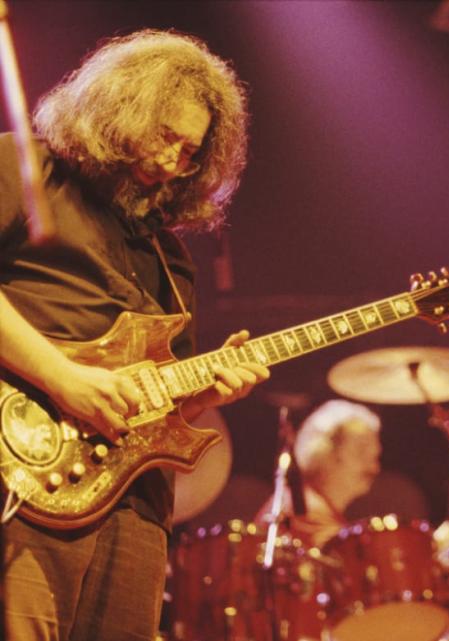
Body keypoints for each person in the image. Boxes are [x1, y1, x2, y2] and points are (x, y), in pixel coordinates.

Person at [0, 30, 270, 641]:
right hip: (21, 473)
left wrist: (206, 395)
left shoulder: (169, 257)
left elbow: (157, 406)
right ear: (120, 110)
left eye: (190, 151)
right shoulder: (23, 170)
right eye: (165, 137)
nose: (174, 162)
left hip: (137, 507)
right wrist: (63, 378)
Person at [256, 399, 383, 548]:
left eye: (374, 456)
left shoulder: (320, 509)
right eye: (361, 452)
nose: (374, 468)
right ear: (324, 451)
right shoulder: (303, 511)